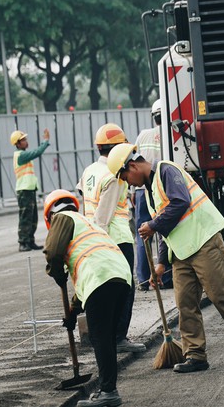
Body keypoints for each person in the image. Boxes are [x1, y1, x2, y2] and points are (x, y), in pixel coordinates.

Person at [107, 143, 224, 373]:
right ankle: (195, 354)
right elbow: (166, 227)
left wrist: (153, 226)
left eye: (125, 176)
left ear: (133, 165)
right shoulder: (149, 192)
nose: (127, 183)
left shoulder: (167, 171)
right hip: (181, 251)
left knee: (221, 295)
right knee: (185, 303)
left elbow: (181, 202)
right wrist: (160, 263)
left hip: (203, 240)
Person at [42, 189, 131, 407]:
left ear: (50, 215)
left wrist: (57, 274)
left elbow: (53, 253)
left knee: (100, 337)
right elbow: (89, 274)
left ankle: (108, 393)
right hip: (121, 276)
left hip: (101, 278)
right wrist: (73, 312)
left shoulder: (61, 218)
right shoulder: (87, 223)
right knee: (107, 337)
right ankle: (108, 389)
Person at [77, 124, 145, 353]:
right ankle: (118, 337)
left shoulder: (89, 170)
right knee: (125, 287)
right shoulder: (114, 175)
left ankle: (105, 335)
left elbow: (84, 199)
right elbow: (103, 216)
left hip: (92, 237)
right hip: (115, 237)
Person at [133, 100, 172, 291]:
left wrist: (133, 192)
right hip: (161, 187)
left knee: (142, 235)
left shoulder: (142, 135)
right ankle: (165, 276)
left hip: (140, 191)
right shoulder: (169, 135)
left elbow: (133, 161)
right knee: (165, 230)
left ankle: (142, 279)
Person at [10, 128, 50, 252]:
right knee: (25, 217)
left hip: (29, 189)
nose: (26, 142)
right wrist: (45, 141)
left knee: (32, 217)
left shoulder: (23, 155)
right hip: (24, 190)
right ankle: (23, 242)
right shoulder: (20, 155)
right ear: (17, 143)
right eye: (23, 140)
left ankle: (30, 241)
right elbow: (37, 152)